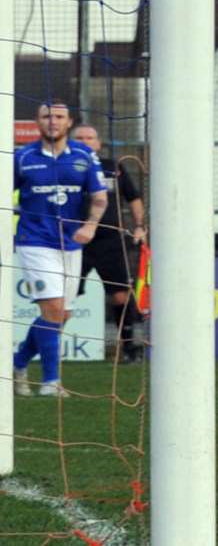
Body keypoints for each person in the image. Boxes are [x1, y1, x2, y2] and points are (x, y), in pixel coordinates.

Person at [11, 101, 108, 397]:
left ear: (69, 122)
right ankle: (51, 382)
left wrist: (90, 225)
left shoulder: (84, 156)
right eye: (46, 116)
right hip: (34, 241)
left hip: (71, 245)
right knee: (52, 308)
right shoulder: (21, 157)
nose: (52, 121)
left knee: (61, 314)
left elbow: (100, 197)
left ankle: (16, 363)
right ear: (37, 122)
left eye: (58, 117)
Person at [72, 123, 146, 363]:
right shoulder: (62, 166)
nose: (85, 141)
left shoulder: (113, 168)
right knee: (64, 297)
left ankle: (127, 347)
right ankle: (51, 348)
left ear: (98, 143)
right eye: (80, 138)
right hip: (75, 240)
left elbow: (134, 199)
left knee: (120, 296)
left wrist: (139, 226)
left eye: (90, 138)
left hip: (110, 240)